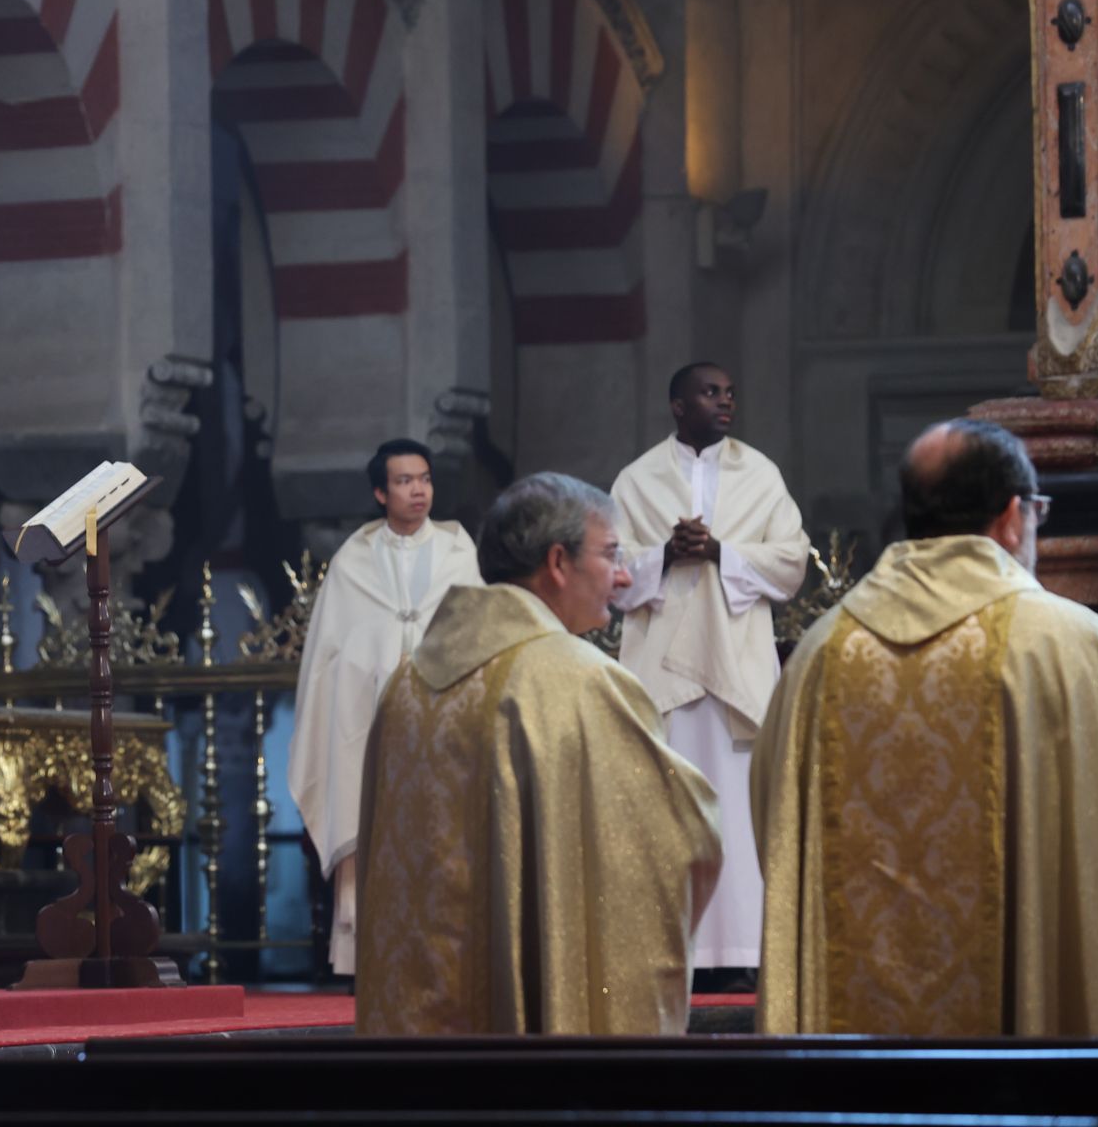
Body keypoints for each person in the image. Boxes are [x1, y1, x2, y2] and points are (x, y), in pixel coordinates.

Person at [753, 418, 1098, 1036]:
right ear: (1014, 517)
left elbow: (775, 822)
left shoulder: (820, 657)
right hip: (1028, 1063)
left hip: (852, 1076)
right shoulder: (1069, 648)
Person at [354, 473, 722, 1035]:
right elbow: (681, 841)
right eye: (610, 554)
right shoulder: (574, 681)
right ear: (557, 562)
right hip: (527, 1059)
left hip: (414, 1048)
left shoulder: (406, 685)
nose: (623, 576)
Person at [609, 362, 808, 986]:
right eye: (709, 392)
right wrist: (665, 554)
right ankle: (674, 952)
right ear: (676, 404)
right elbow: (612, 571)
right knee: (666, 807)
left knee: (739, 810)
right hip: (660, 671)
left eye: (729, 392)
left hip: (736, 667)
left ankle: (746, 955)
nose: (725, 401)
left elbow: (792, 561)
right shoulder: (637, 479)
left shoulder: (762, 473)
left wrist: (720, 551)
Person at [287, 438, 482, 976]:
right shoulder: (353, 562)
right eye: (403, 481)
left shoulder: (459, 553)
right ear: (380, 492)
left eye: (424, 479)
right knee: (373, 828)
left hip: (444, 720)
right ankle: (373, 955)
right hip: (369, 723)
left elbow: (476, 636)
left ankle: (448, 953)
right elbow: (330, 656)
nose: (418, 490)